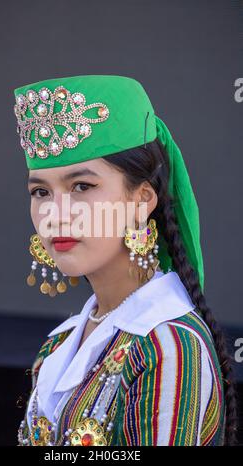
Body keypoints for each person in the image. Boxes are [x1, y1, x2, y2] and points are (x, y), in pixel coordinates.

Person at [13, 75, 237, 446]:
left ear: (142, 199)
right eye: (40, 191)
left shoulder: (168, 346)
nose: (56, 213)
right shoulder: (60, 344)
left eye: (82, 186)